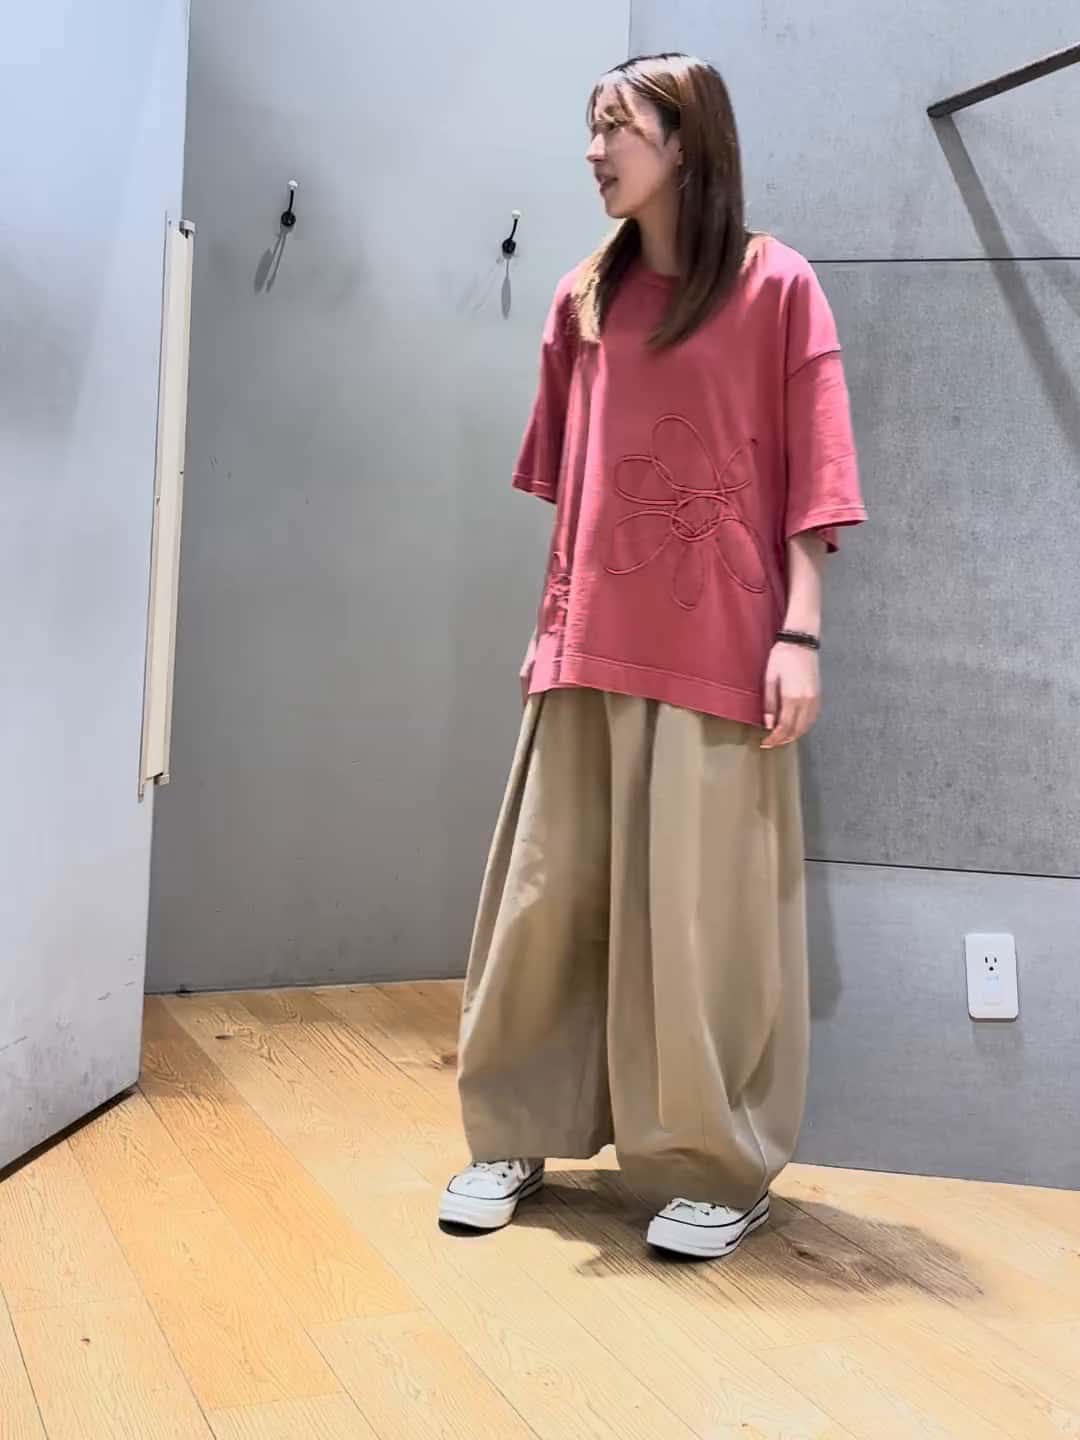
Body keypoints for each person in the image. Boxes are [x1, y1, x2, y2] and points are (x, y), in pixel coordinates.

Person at [439, 52, 865, 1260]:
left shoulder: (779, 287)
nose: (593, 150)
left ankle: (715, 1169)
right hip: (587, 645)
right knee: (544, 909)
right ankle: (512, 1133)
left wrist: (800, 634)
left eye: (616, 127)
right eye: (591, 127)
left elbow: (818, 481)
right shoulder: (582, 297)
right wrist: (553, 627)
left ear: (686, 143)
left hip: (725, 652)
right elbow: (571, 489)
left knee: (698, 926)